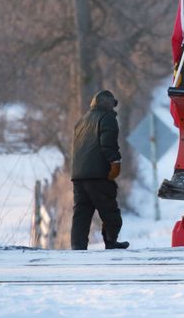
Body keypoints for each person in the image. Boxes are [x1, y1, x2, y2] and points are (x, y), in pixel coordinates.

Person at [70, 89, 129, 250]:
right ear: (106, 103)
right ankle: (111, 242)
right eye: (112, 104)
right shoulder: (107, 118)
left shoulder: (82, 120)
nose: (113, 108)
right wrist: (115, 162)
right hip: (98, 175)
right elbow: (108, 143)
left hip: (78, 176)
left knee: (81, 214)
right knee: (111, 213)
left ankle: (77, 247)